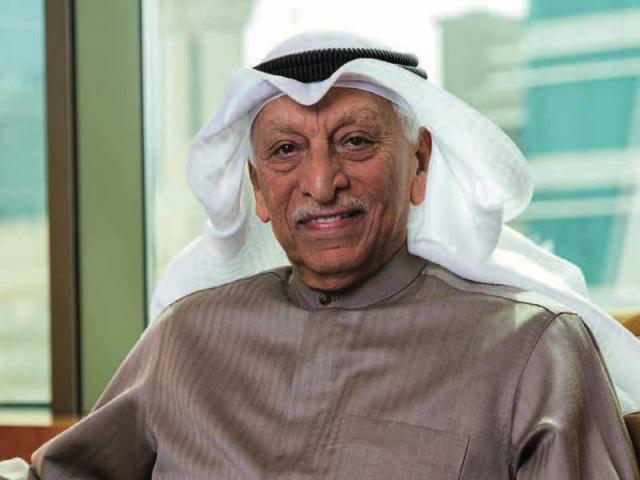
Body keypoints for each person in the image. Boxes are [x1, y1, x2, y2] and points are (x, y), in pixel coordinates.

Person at [9, 32, 640, 479]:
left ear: (419, 164)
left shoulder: (530, 351)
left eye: (355, 141)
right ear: (258, 189)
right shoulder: (185, 340)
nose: (321, 183)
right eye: (286, 151)